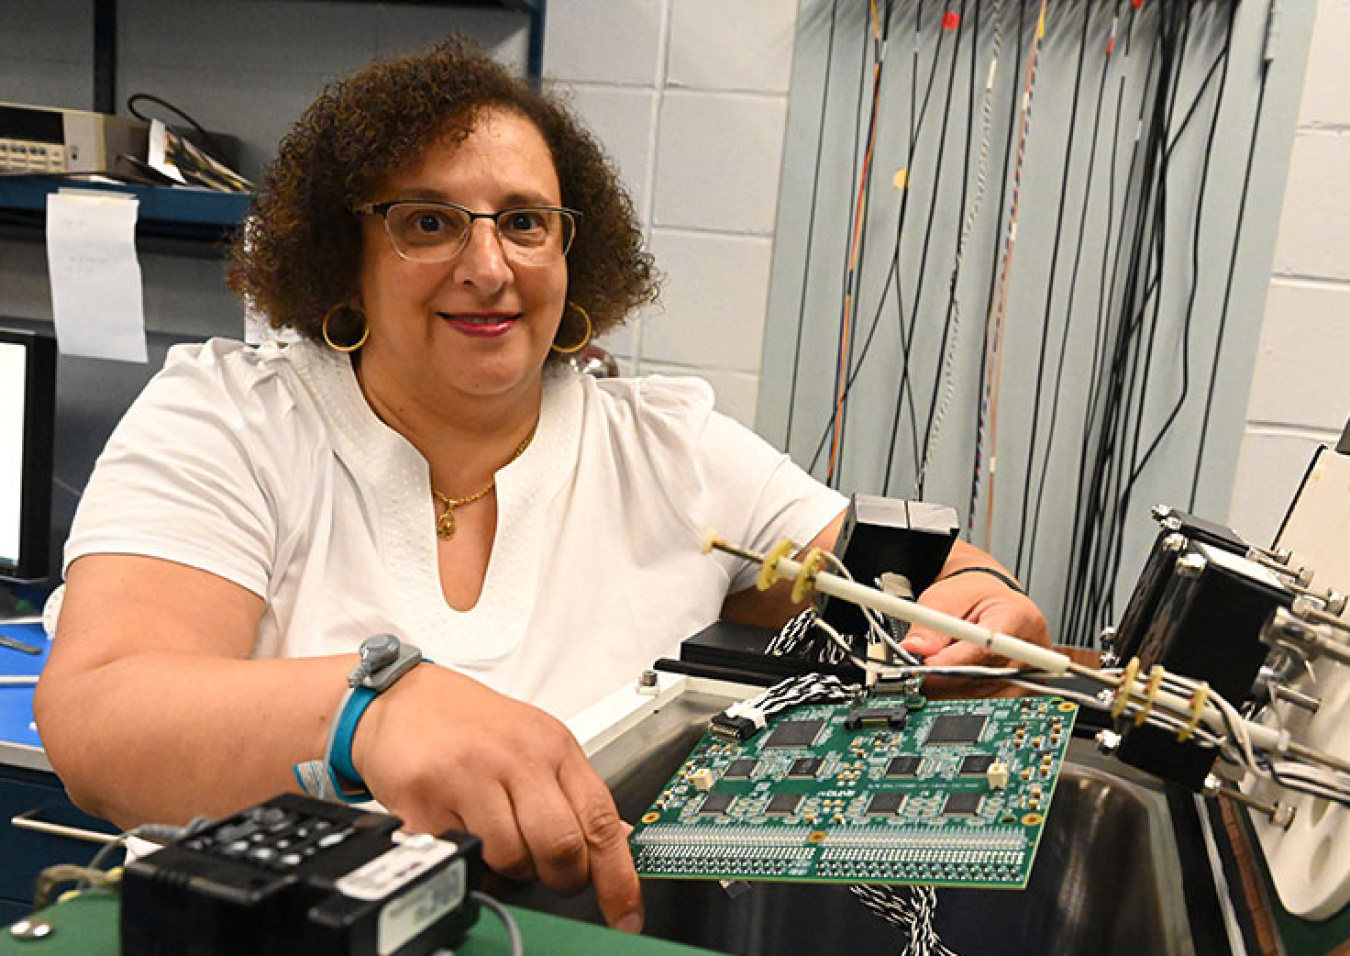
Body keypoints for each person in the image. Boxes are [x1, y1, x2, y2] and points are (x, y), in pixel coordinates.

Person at [34, 36, 1049, 935]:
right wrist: (368, 718)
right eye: (429, 222)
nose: (489, 265)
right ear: (345, 253)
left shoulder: (665, 443)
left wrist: (975, 595)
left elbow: (888, 572)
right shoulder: (231, 419)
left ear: (573, 248)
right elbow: (99, 717)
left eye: (525, 222)